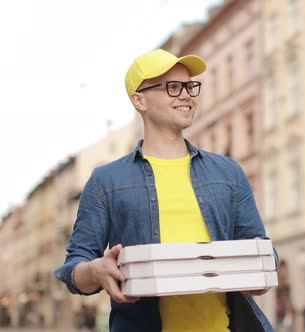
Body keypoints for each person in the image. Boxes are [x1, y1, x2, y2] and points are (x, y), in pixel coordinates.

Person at [54, 49, 277, 332]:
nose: (186, 95)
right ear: (139, 100)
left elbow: (262, 250)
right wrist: (96, 270)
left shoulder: (228, 173)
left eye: (190, 86)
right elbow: (74, 268)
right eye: (172, 87)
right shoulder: (107, 180)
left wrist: (260, 270)